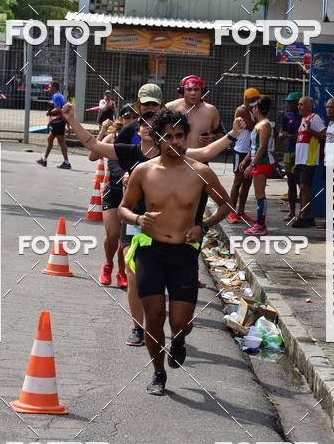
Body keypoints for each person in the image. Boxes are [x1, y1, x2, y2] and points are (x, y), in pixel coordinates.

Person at [62, 103, 244, 349]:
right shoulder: (128, 151)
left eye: (154, 123)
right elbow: (93, 146)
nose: (149, 127)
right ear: (141, 130)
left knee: (163, 292)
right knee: (133, 276)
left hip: (167, 230)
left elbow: (209, 152)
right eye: (145, 123)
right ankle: (138, 326)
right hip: (135, 221)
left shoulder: (180, 154)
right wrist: (71, 120)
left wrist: (232, 134)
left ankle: (170, 328)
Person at [119, 109, 232, 395]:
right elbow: (123, 208)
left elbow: (225, 205)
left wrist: (203, 226)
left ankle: (179, 340)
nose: (175, 142)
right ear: (157, 139)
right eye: (167, 136)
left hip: (184, 253)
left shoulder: (201, 171)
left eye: (179, 136)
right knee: (154, 316)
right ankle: (158, 374)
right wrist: (137, 219)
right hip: (150, 250)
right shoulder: (143, 172)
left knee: (180, 322)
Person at [95, 104, 135, 287]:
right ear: (121, 119)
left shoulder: (145, 141)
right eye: (126, 117)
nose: (130, 120)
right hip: (114, 190)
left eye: (133, 117)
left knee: (125, 238)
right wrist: (102, 132)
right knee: (113, 234)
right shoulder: (114, 138)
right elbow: (95, 156)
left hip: (133, 196)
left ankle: (121, 272)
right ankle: (108, 264)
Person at [238, 95, 275, 236]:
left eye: (253, 107)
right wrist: (246, 160)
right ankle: (259, 223)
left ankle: (261, 225)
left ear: (257, 109)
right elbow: (254, 146)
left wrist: (251, 165)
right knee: (259, 194)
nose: (252, 109)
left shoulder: (264, 124)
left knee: (260, 195)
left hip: (263, 162)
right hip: (258, 162)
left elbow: (262, 148)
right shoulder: (259, 124)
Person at [292, 95, 326, 228]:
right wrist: (296, 162)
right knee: (302, 188)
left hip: (309, 159)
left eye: (301, 104)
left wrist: (310, 131)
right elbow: (300, 142)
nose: (299, 106)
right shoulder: (303, 119)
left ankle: (304, 215)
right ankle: (306, 214)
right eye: (299, 104)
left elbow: (324, 135)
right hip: (301, 160)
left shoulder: (315, 118)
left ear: (309, 107)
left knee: (305, 187)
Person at [228, 88, 259, 224]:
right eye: (252, 100)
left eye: (256, 100)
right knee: (238, 181)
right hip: (240, 150)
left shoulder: (253, 110)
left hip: (250, 151)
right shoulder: (242, 110)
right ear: (246, 99)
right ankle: (231, 212)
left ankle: (241, 211)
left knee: (247, 182)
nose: (255, 102)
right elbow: (253, 126)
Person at [166, 75, 223, 148]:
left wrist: (213, 138)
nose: (193, 93)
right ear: (182, 91)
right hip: (174, 156)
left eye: (196, 89)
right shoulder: (170, 108)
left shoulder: (211, 111)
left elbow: (221, 134)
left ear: (202, 91)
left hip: (200, 158)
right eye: (189, 89)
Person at [277, 91, 301, 223]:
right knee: (290, 183)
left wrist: (292, 136)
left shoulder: (304, 117)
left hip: (300, 152)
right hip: (289, 151)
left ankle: (302, 212)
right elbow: (282, 131)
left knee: (301, 184)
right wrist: (282, 135)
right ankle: (292, 212)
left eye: (291, 102)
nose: (289, 104)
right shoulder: (287, 116)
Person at [36, 82, 71, 168]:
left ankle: (66, 162)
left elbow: (59, 110)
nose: (49, 89)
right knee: (50, 139)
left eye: (50, 87)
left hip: (59, 122)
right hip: (60, 122)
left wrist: (49, 112)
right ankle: (44, 159)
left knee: (61, 142)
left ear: (55, 87)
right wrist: (68, 125)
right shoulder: (59, 96)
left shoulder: (56, 96)